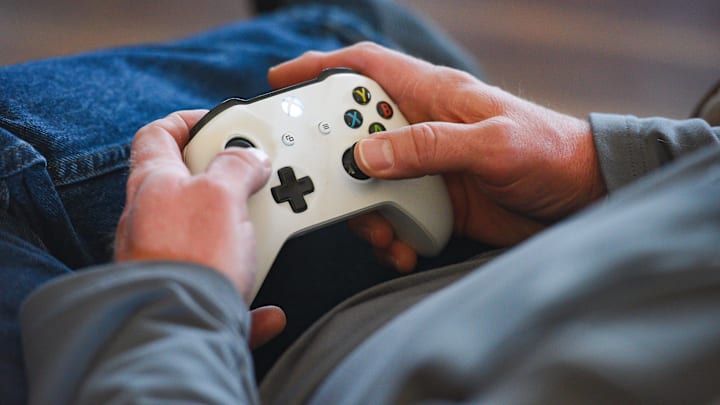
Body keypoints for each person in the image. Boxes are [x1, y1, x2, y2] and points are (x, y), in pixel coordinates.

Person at [2, 2, 719, 404]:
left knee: (342, 30)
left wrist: (169, 308)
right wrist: (604, 164)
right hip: (547, 245)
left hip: (242, 362)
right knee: (363, 34)